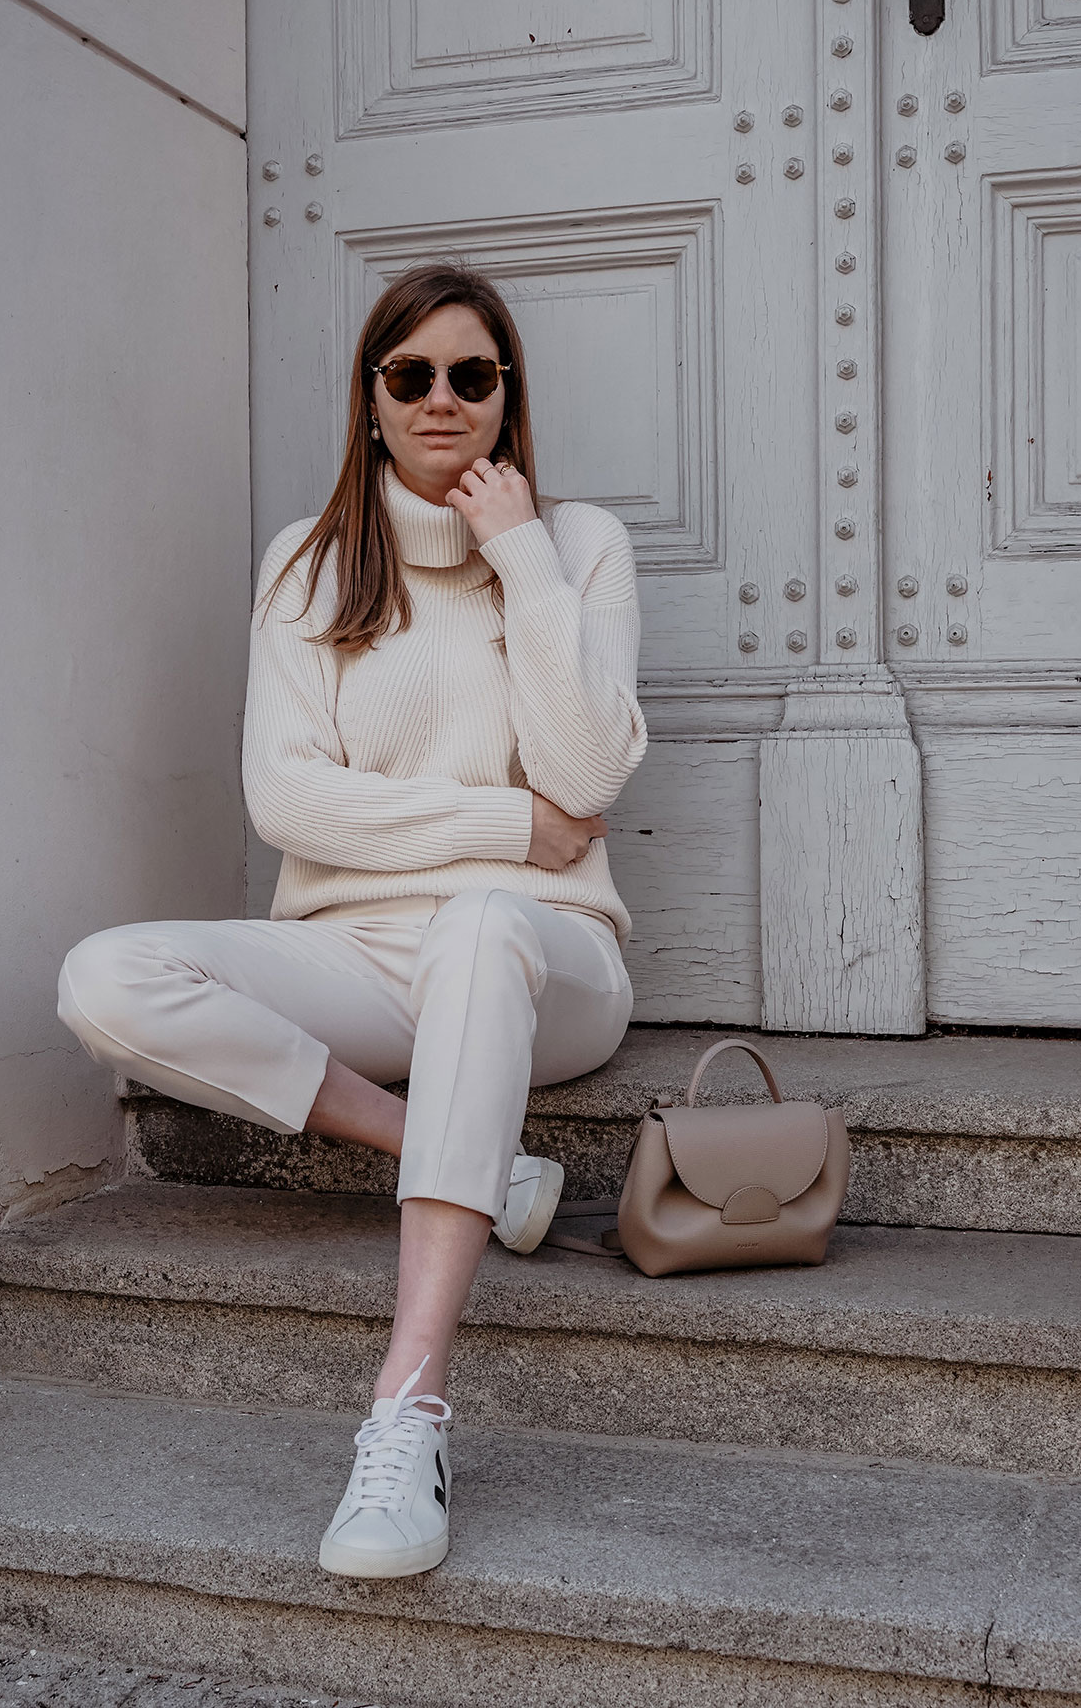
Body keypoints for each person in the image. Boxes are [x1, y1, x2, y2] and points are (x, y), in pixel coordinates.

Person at [57, 263, 647, 1580]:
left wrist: (519, 558)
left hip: (549, 956)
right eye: (411, 376)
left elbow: (592, 773)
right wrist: (506, 822)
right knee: (107, 977)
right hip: (366, 948)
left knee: (485, 924)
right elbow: (288, 801)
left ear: (507, 399)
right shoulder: (311, 564)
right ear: (371, 400)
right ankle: (474, 1168)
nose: (442, 400)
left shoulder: (580, 544)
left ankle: (407, 1408)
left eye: (472, 377)